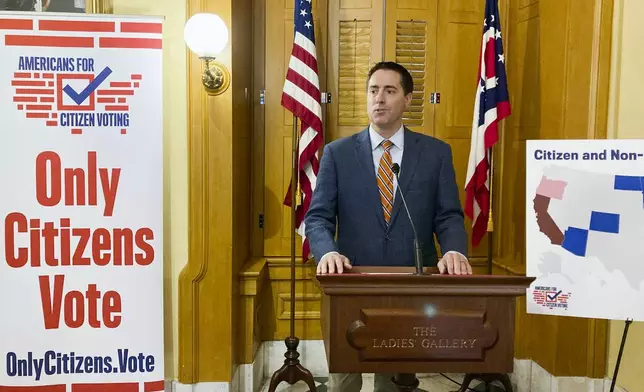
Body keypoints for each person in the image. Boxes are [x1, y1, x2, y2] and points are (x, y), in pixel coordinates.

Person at [303, 61, 472, 392]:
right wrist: (327, 252)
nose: (379, 99)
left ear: (407, 100)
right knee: (344, 380)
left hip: (409, 288)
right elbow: (318, 216)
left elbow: (448, 215)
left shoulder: (436, 154)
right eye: (373, 90)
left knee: (395, 382)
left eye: (390, 91)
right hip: (350, 285)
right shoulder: (337, 154)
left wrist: (453, 249)